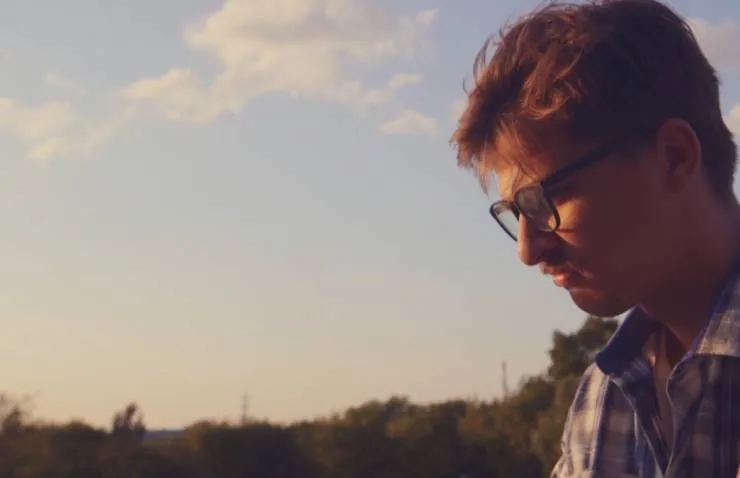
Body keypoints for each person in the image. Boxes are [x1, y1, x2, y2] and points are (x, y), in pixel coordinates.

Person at [450, 0, 740, 476]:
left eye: (545, 200)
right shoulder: (604, 399)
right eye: (516, 213)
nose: (528, 251)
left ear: (674, 156)